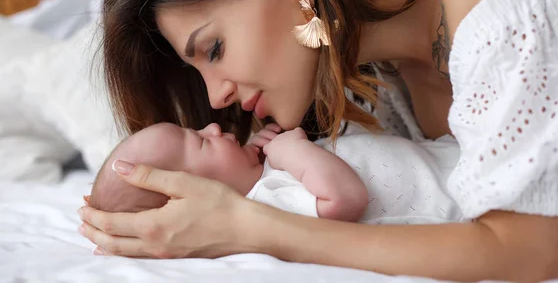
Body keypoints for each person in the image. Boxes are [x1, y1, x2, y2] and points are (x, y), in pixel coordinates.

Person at [77, 0, 558, 280]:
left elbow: (533, 254)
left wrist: (250, 229)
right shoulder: (364, 85)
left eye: (214, 49)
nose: (216, 98)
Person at [89, 121, 463, 225]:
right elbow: (342, 200)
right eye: (202, 142)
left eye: (199, 129)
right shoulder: (265, 206)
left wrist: (271, 151)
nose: (214, 128)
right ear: (192, 194)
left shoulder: (267, 176)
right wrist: (293, 151)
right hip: (455, 197)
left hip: (448, 158)